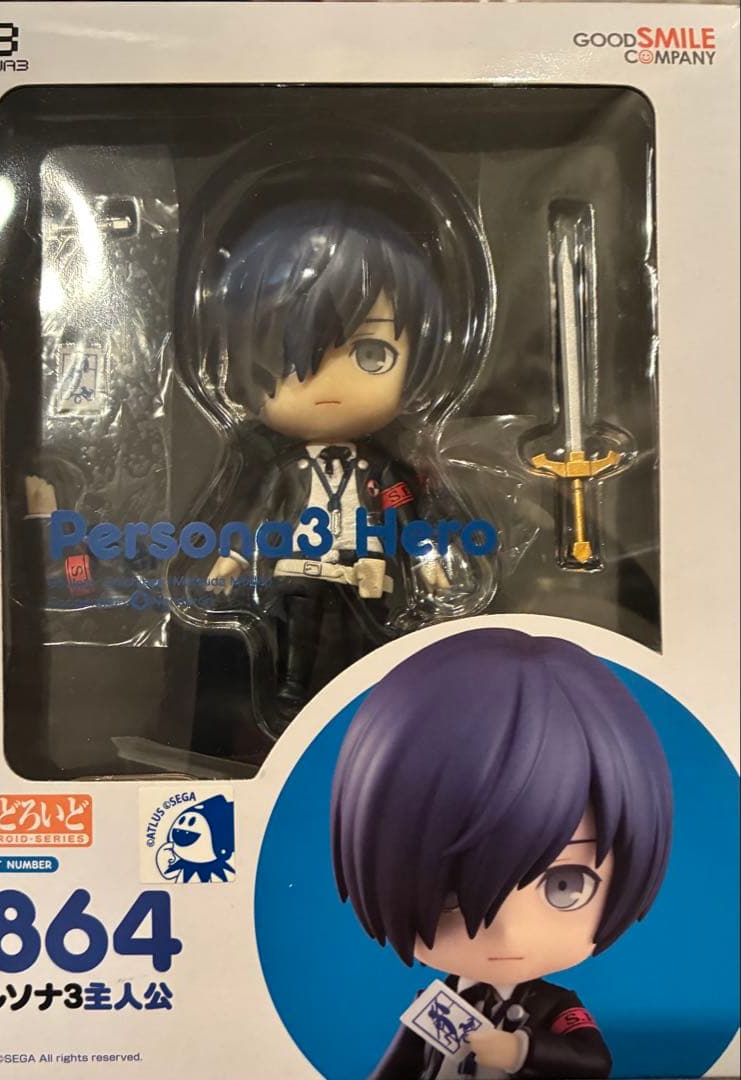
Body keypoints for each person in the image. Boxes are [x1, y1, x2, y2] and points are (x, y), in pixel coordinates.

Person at [331, 628, 673, 1079]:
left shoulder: (555, 1006)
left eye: (565, 885)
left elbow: (594, 1062)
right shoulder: (435, 1006)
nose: (508, 933)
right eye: (450, 893)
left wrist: (520, 1052)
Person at [202, 201, 465, 725]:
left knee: (366, 640)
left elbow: (406, 515)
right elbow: (258, 515)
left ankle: (370, 700)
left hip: (365, 572)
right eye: (289, 358)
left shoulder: (382, 472)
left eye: (373, 354)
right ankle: (291, 690)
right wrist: (231, 558)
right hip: (301, 569)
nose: (331, 385)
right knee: (298, 637)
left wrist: (427, 560)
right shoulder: (286, 471)